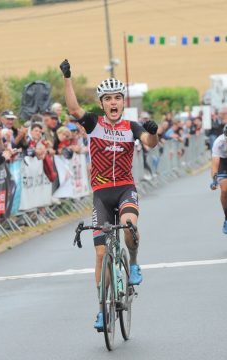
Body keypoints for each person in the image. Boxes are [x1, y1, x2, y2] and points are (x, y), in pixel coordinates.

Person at [60, 59, 160, 331]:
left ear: (122, 102)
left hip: (126, 188)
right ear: (102, 103)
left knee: (129, 227)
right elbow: (72, 108)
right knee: (101, 253)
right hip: (102, 195)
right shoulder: (94, 124)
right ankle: (102, 309)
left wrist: (153, 132)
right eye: (108, 99)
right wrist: (67, 77)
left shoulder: (131, 127)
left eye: (118, 97)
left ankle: (135, 264)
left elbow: (149, 144)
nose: (113, 102)